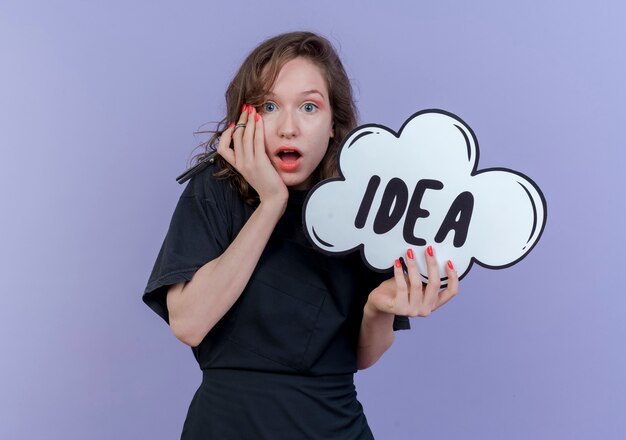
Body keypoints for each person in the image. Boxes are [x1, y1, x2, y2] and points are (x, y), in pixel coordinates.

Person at [143, 31, 459, 439]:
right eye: (269, 106)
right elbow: (188, 324)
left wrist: (378, 309)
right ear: (244, 119)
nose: (288, 127)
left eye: (309, 107)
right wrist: (271, 203)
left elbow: (362, 357)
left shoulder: (362, 206)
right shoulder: (214, 188)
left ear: (333, 125)